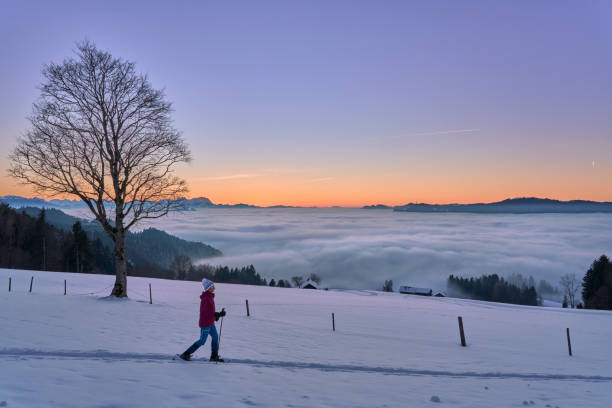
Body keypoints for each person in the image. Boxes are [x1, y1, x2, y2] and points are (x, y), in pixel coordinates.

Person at [179, 278, 226, 362]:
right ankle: (186, 354)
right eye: (212, 286)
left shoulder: (210, 297)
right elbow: (206, 313)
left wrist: (218, 314)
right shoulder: (206, 299)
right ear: (208, 288)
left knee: (215, 337)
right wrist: (217, 314)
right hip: (205, 323)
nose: (214, 288)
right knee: (202, 341)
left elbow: (210, 312)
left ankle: (214, 356)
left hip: (210, 322)